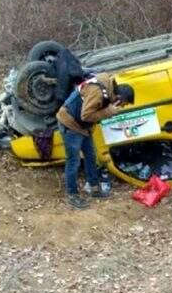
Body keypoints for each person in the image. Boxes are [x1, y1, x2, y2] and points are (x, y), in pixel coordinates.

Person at [56, 74, 134, 209]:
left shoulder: (107, 90)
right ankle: (72, 195)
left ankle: (95, 189)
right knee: (73, 160)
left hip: (83, 127)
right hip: (70, 123)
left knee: (91, 157)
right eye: (122, 104)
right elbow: (86, 115)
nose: (121, 107)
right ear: (119, 98)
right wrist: (109, 111)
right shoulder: (97, 92)